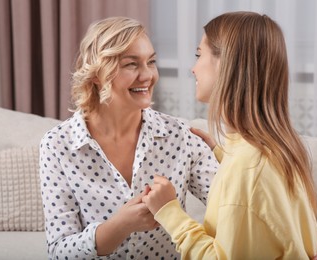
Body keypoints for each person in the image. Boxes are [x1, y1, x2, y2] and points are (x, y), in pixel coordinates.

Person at [142, 11, 317, 259]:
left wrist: (169, 212)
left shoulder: (247, 169)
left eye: (200, 55)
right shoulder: (277, 149)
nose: (193, 68)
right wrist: (222, 154)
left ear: (226, 64)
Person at [39, 16, 218, 259]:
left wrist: (229, 158)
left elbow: (234, 208)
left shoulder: (181, 137)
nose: (147, 75)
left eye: (151, 62)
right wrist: (119, 226)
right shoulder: (57, 145)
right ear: (96, 74)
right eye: (131, 64)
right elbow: (59, 251)